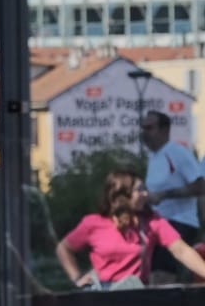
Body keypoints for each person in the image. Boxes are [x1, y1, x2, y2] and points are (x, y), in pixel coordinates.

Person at [55, 169, 205, 288]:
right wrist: (77, 278)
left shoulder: (152, 221)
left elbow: (181, 250)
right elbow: (64, 248)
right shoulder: (93, 223)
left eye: (145, 189)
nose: (145, 194)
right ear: (122, 195)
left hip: (136, 293)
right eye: (139, 190)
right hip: (103, 295)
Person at [140, 110, 205, 263]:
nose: (144, 133)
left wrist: (163, 195)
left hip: (179, 223)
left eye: (150, 128)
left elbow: (200, 186)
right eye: (143, 128)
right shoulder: (154, 156)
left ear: (164, 130)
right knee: (153, 271)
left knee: (164, 273)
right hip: (158, 224)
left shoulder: (177, 153)